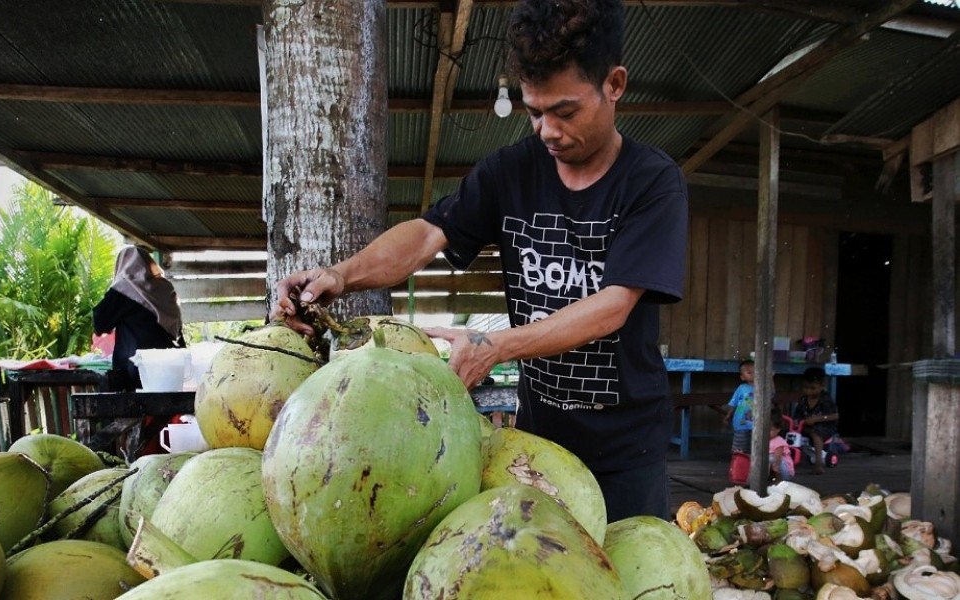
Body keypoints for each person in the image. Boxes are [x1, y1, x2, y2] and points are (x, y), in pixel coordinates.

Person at [271, 0, 688, 522]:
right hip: (537, 442)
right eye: (535, 112)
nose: (547, 131)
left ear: (615, 85)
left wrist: (496, 348)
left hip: (628, 452)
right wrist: (341, 275)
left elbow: (612, 307)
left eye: (565, 112)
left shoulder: (652, 182)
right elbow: (427, 233)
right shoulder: (510, 172)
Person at [93, 246, 186, 392]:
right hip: (170, 365)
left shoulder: (123, 289)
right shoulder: (165, 288)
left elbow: (100, 323)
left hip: (136, 367)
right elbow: (176, 327)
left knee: (139, 406)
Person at [790, 366, 839, 474]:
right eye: (805, 387)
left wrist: (817, 419)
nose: (808, 391)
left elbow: (835, 416)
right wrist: (796, 421)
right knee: (789, 433)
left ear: (822, 386)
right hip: (806, 426)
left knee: (816, 433)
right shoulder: (803, 400)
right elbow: (797, 414)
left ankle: (818, 463)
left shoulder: (825, 399)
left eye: (812, 388)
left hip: (825, 426)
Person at [721, 359, 755, 454]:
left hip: (756, 424)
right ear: (742, 377)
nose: (753, 374)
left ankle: (752, 462)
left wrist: (770, 379)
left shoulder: (762, 388)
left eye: (755, 371)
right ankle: (737, 462)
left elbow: (771, 394)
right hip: (741, 423)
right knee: (739, 449)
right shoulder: (741, 388)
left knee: (754, 448)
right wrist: (728, 415)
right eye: (749, 372)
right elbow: (734, 403)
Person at [768, 408, 794, 482]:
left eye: (770, 430)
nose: (766, 432)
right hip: (772, 467)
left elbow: (778, 457)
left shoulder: (779, 441)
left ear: (778, 429)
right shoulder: (763, 440)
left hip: (784, 471)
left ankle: (776, 481)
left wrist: (775, 467)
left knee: (769, 458)